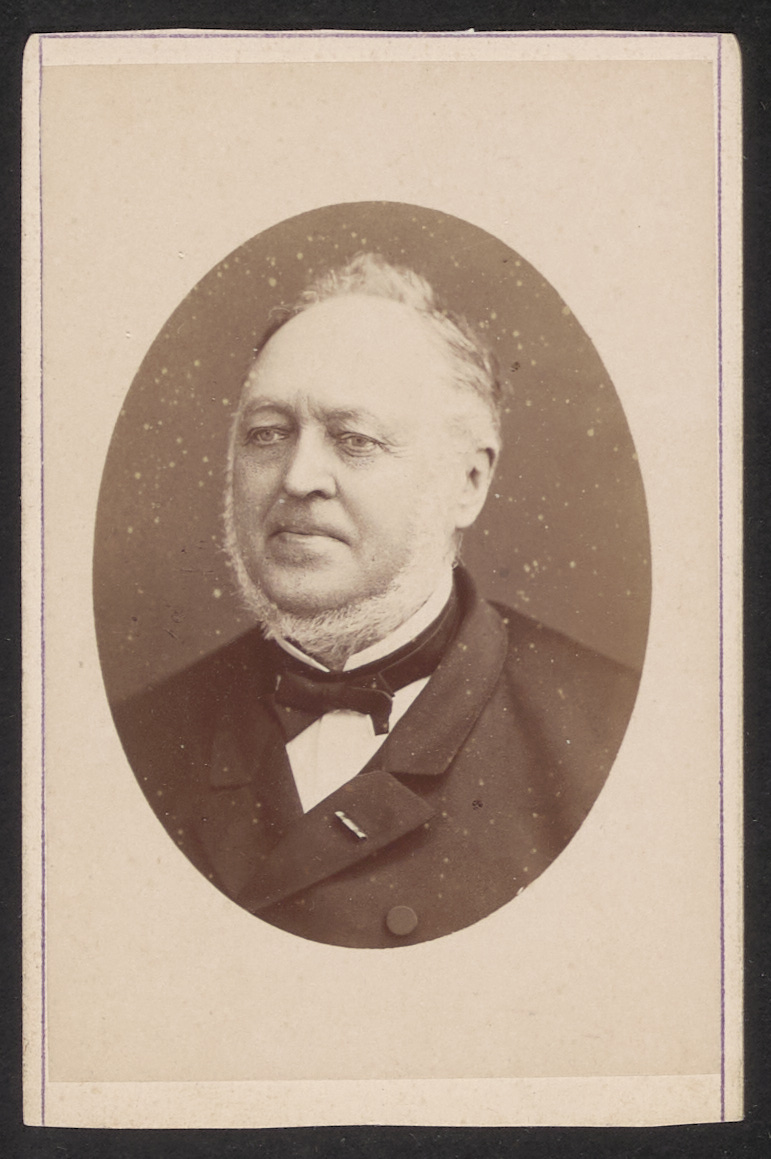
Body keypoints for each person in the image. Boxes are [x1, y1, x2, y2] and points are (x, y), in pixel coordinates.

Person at [112, 254, 640, 948]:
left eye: (354, 440)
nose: (297, 477)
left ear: (467, 482)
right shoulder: (133, 739)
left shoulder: (612, 741)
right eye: (267, 433)